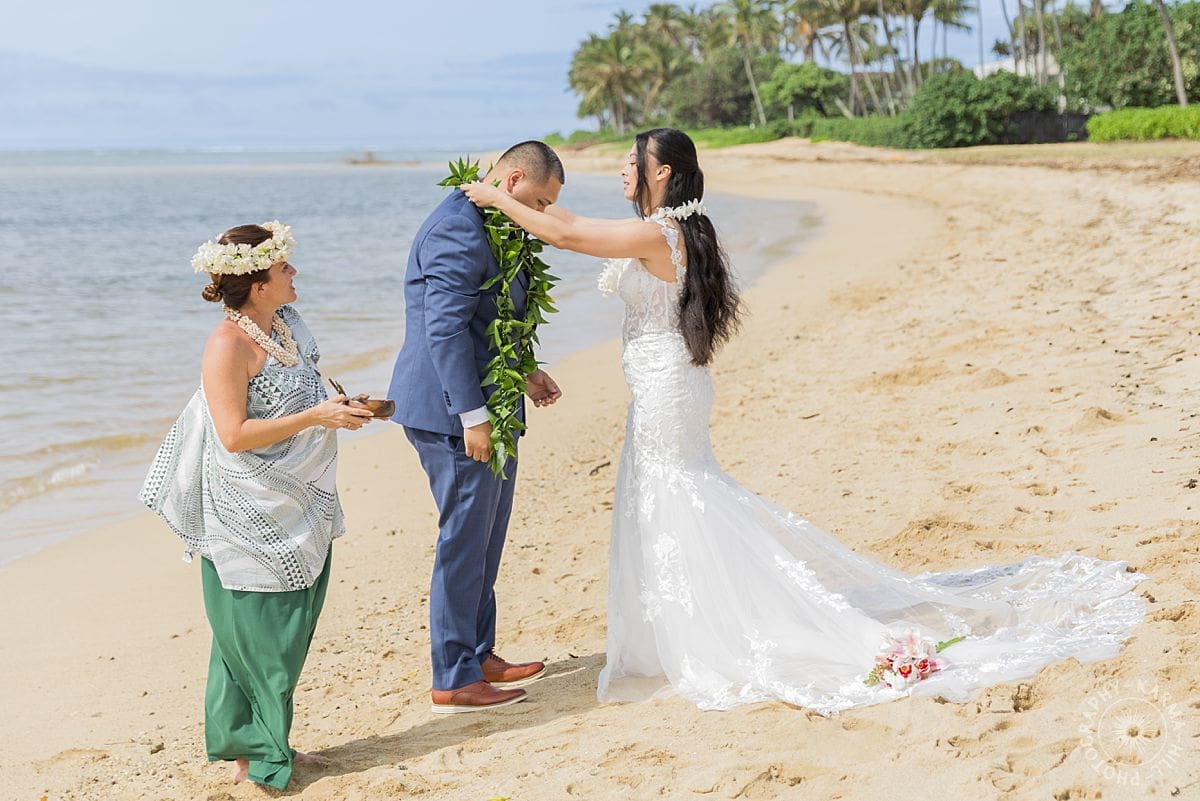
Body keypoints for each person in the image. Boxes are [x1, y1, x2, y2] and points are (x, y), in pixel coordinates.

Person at [459, 127, 1147, 714]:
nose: (620, 168)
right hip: (668, 385)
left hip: (668, 388)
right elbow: (570, 224)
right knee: (671, 498)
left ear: (659, 172)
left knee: (682, 497)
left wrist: (493, 196)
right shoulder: (679, 229)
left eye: (629, 160)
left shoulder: (660, 232)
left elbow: (568, 231)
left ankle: (727, 629)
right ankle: (689, 625)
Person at [140, 222, 372, 787]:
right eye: (284, 268)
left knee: (287, 628)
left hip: (300, 499)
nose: (294, 273)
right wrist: (318, 417)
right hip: (245, 505)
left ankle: (268, 740)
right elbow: (235, 434)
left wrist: (338, 405)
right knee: (256, 633)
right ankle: (255, 753)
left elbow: (307, 388)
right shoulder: (225, 345)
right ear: (259, 284)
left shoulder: (287, 324)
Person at [389, 141, 565, 713]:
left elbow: (487, 317)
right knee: (463, 542)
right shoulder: (459, 228)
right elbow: (443, 331)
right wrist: (474, 415)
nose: (540, 215)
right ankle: (454, 676)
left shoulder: (496, 221)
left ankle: (478, 652)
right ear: (512, 180)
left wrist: (526, 369)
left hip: (493, 399)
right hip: (450, 411)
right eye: (539, 201)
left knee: (487, 537)